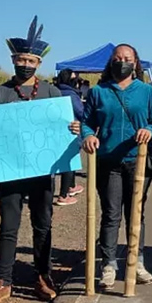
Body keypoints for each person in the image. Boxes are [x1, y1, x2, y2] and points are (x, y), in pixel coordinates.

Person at [0, 16, 80, 303]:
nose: (25, 64)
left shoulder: (53, 94)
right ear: (13, 60)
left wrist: (74, 129)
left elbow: (65, 127)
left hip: (42, 171)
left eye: (31, 59)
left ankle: (43, 275)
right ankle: (2, 280)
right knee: (9, 225)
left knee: (43, 225)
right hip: (10, 170)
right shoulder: (0, 94)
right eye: (21, 59)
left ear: (38, 64)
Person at [81, 44, 152, 289]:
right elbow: (86, 122)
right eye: (118, 58)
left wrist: (149, 130)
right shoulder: (99, 92)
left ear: (136, 62)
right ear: (111, 62)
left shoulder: (147, 92)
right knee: (111, 215)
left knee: (136, 214)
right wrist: (87, 136)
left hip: (138, 161)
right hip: (108, 161)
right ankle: (108, 264)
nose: (122, 62)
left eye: (127, 58)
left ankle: (136, 261)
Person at [54, 69, 85, 206]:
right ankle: (64, 194)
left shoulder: (53, 91)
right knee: (69, 162)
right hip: (72, 131)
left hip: (56, 133)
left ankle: (71, 186)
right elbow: (81, 112)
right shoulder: (71, 95)